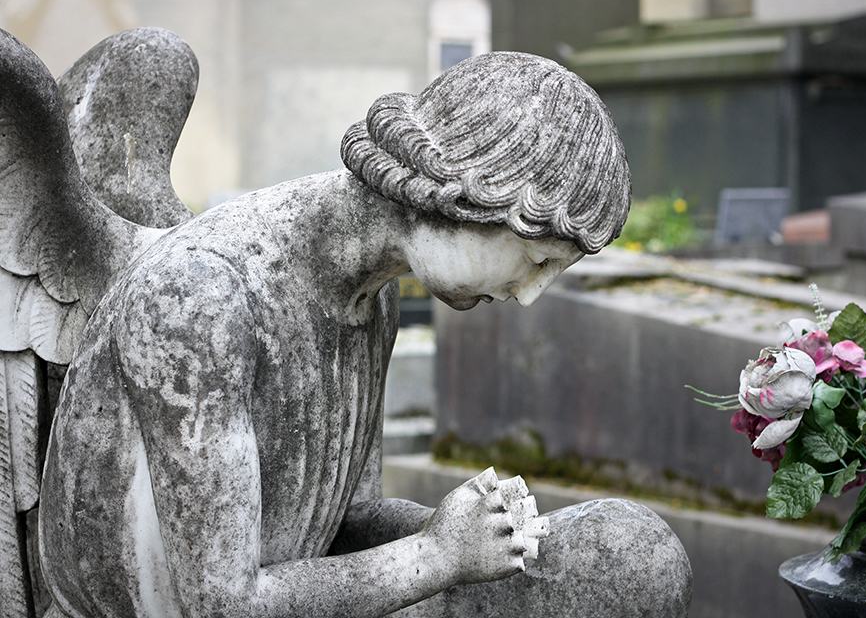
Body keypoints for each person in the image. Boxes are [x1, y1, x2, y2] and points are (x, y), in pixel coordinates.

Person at [36, 51, 632, 617]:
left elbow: (346, 522)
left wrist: (471, 528)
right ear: (462, 193)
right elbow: (223, 605)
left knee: (630, 556)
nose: (529, 295)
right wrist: (437, 555)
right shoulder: (200, 297)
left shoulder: (374, 298)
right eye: (534, 259)